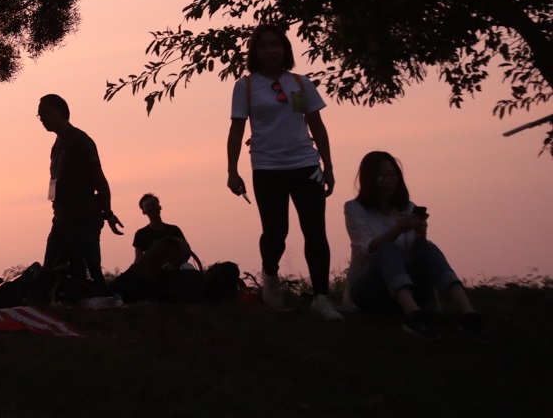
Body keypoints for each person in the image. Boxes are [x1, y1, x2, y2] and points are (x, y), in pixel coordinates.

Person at [226, 24, 339, 319]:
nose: (270, 51)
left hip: (306, 164)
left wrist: (328, 165)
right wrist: (232, 171)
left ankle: (321, 297)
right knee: (276, 231)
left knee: (315, 230)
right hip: (267, 167)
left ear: (285, 49)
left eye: (275, 45)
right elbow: (236, 130)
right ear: (255, 51)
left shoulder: (301, 83)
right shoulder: (245, 86)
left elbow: (317, 125)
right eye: (264, 45)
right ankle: (270, 274)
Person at [343, 151, 481, 337]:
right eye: (380, 176)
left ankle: (469, 315)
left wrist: (420, 235)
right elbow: (366, 248)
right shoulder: (354, 208)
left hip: (410, 285)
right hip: (369, 290)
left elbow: (414, 252)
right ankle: (414, 316)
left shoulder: (407, 208)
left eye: (392, 175)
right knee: (387, 249)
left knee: (427, 248)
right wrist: (396, 231)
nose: (387, 181)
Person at [37, 94, 123, 288]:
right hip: (61, 218)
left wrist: (107, 213)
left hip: (82, 220)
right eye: (39, 115)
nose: (41, 118)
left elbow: (100, 181)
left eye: (44, 113)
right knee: (50, 273)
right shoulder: (57, 146)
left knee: (89, 274)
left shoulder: (80, 140)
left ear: (60, 111)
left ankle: (101, 300)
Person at [131, 193, 199, 270]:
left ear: (159, 207)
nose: (152, 208)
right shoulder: (141, 234)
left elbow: (185, 251)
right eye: (148, 206)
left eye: (153, 204)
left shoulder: (174, 230)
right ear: (144, 211)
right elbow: (138, 260)